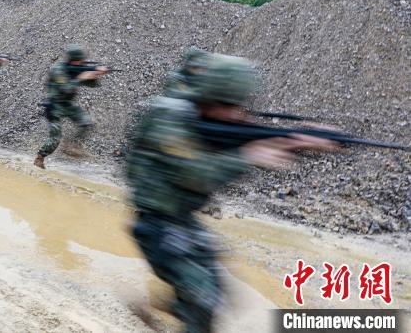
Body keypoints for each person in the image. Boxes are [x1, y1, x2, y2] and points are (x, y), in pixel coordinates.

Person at [126, 51, 336, 332]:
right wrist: (249, 155)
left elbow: (245, 139)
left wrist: (299, 139)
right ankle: (185, 310)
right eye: (231, 105)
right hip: (154, 223)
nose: (237, 114)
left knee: (214, 285)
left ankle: (165, 307)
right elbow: (197, 176)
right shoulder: (169, 117)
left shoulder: (208, 119)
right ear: (212, 97)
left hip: (181, 219)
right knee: (204, 299)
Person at [33, 44, 109, 169]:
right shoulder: (58, 70)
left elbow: (93, 85)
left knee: (86, 123)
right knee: (55, 139)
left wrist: (96, 75)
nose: (82, 62)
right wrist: (81, 78)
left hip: (67, 105)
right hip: (53, 106)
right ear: (73, 59)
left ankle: (72, 145)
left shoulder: (77, 69)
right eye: (80, 60)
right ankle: (40, 157)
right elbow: (66, 88)